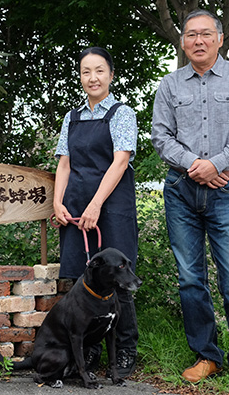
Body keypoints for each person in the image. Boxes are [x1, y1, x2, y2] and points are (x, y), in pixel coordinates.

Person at [151, 9, 229, 394]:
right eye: (191, 35)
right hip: (180, 191)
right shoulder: (169, 84)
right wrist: (196, 166)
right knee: (190, 279)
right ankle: (207, 356)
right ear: (183, 41)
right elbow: (161, 136)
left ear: (219, 37)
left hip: (226, 190)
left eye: (205, 34)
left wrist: (215, 164)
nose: (198, 41)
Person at [53, 47, 139, 378]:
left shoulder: (122, 113)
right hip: (76, 205)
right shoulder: (72, 116)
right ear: (80, 77)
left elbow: (120, 162)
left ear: (111, 75)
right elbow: (64, 163)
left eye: (99, 70)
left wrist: (96, 204)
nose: (93, 77)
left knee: (119, 281)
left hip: (111, 207)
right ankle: (88, 350)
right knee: (82, 280)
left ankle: (126, 350)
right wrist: (58, 203)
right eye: (86, 71)